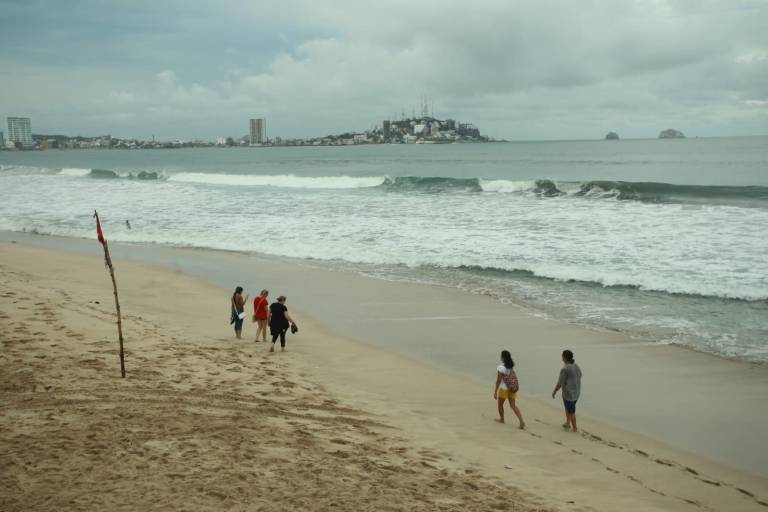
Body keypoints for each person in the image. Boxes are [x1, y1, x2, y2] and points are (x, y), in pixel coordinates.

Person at [493, 350, 525, 429]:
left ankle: (502, 419)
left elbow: (498, 380)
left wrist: (495, 391)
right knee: (513, 406)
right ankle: (521, 421)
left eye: (501, 356)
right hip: (512, 388)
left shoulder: (501, 367)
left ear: (503, 357)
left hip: (504, 389)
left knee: (500, 405)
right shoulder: (510, 366)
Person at [551, 349, 582, 432]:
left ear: (564, 358)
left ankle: (574, 428)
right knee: (568, 408)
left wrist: (554, 391)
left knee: (571, 411)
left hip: (569, 394)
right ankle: (568, 423)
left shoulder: (565, 369)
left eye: (562, 356)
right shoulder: (576, 366)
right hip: (577, 392)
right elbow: (580, 375)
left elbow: (560, 383)